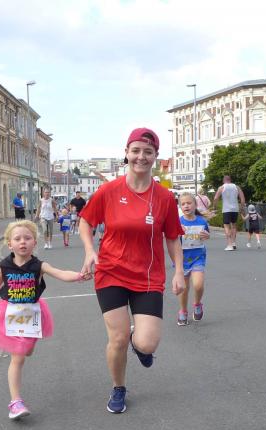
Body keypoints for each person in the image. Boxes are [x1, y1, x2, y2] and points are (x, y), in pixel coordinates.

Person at [78, 127, 185, 414]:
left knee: (147, 343)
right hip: (111, 271)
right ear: (126, 153)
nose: (141, 157)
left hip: (148, 276)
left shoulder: (164, 197)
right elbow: (86, 222)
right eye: (135, 150)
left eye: (148, 152)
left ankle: (140, 346)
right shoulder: (109, 190)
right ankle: (118, 387)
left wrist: (179, 271)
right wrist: (90, 251)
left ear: (155, 156)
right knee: (118, 338)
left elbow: (172, 237)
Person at [0, 220, 87, 420]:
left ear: (34, 243)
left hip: (32, 314)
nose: (23, 242)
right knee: (18, 356)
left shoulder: (39, 266)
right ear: (9, 244)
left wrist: (79, 276)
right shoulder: (4, 266)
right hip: (11, 314)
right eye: (17, 239)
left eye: (27, 238)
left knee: (27, 351)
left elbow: (61, 273)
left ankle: (26, 349)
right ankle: (15, 403)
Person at [177, 192, 210, 325]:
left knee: (198, 284)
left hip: (198, 257)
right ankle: (183, 311)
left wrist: (206, 236)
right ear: (180, 207)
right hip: (182, 259)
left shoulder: (202, 221)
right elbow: (170, 239)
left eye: (189, 203)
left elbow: (207, 234)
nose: (186, 206)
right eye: (183, 204)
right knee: (184, 288)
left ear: (195, 205)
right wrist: (177, 232)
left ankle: (197, 304)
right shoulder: (178, 222)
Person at [213, 175, 246, 251]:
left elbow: (215, 198)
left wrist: (215, 207)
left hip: (226, 209)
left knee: (226, 226)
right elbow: (242, 199)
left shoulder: (222, 187)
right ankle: (234, 243)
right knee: (234, 226)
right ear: (230, 180)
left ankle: (229, 244)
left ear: (223, 180)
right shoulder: (237, 187)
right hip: (235, 209)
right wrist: (242, 208)